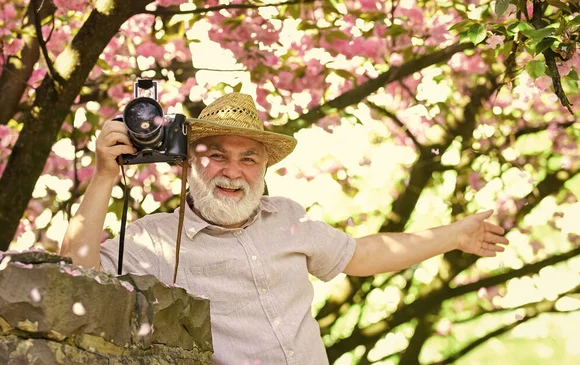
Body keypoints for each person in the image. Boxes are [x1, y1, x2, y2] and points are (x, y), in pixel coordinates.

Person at [60, 92, 509, 365]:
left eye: (248, 158)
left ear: (263, 168)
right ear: (187, 164)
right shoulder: (154, 238)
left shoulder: (289, 218)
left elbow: (363, 254)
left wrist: (454, 235)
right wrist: (103, 175)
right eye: (215, 154)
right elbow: (74, 273)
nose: (232, 171)